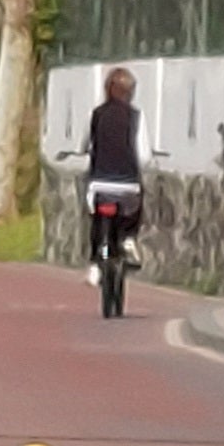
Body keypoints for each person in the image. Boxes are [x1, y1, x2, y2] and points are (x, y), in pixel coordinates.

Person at [84, 65, 144, 289]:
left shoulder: (97, 115)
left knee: (97, 219)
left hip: (100, 184)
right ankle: (129, 237)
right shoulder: (136, 117)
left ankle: (93, 264)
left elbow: (87, 144)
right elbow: (144, 155)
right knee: (137, 200)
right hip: (128, 186)